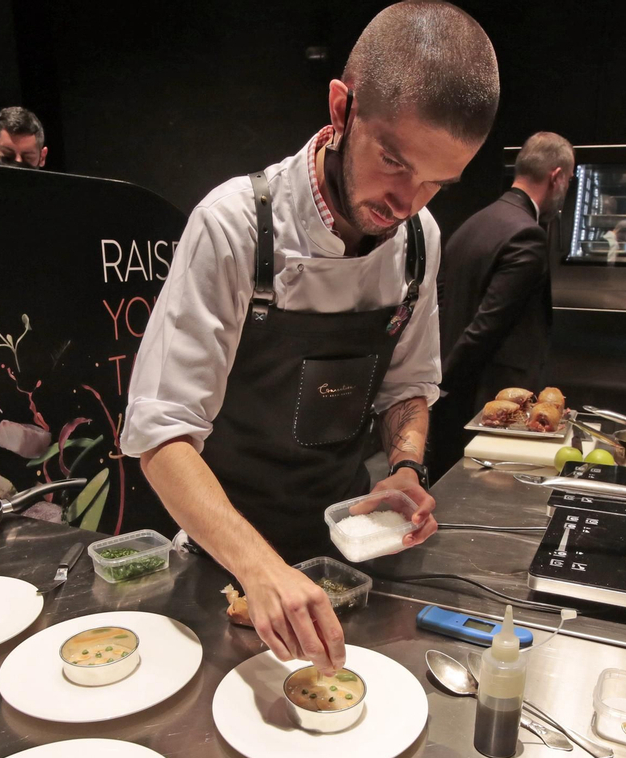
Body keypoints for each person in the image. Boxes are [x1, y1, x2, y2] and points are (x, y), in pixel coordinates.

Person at [122, 1, 499, 674]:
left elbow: (408, 387)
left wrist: (405, 472)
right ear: (341, 108)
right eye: (394, 161)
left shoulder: (419, 241)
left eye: (438, 183)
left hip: (345, 561)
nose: (408, 200)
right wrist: (261, 570)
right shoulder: (236, 225)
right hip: (225, 562)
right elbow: (161, 434)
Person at [429, 131, 572, 473]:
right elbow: (487, 326)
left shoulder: (474, 223)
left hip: (455, 399)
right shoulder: (527, 235)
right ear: (557, 177)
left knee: (442, 491)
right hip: (490, 404)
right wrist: (443, 383)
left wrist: (438, 381)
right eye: (569, 179)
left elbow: (441, 303)